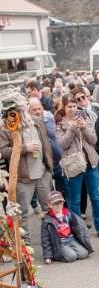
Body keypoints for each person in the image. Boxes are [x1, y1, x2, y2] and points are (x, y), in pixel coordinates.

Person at [0, 90, 53, 243]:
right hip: (24, 177)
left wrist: (49, 166)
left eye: (20, 107)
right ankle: (25, 247)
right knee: (22, 213)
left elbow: (46, 145)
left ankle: (50, 241)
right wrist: (24, 148)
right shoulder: (5, 128)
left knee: (48, 210)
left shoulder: (36, 121)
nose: (18, 111)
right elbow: (3, 151)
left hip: (43, 173)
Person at [56, 95, 99, 240]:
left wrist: (84, 127)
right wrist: (71, 129)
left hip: (90, 162)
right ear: (63, 108)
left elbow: (93, 140)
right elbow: (61, 145)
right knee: (75, 199)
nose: (73, 109)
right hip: (73, 165)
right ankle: (78, 229)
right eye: (69, 107)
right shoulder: (59, 124)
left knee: (96, 197)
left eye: (74, 106)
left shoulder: (84, 118)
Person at [41, 190, 92, 264]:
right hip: (59, 243)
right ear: (49, 205)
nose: (58, 206)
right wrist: (48, 256)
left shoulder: (68, 213)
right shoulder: (47, 220)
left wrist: (86, 244)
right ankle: (57, 254)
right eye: (55, 204)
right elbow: (45, 239)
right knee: (72, 257)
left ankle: (69, 250)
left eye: (60, 203)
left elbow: (79, 228)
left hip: (70, 239)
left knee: (84, 254)